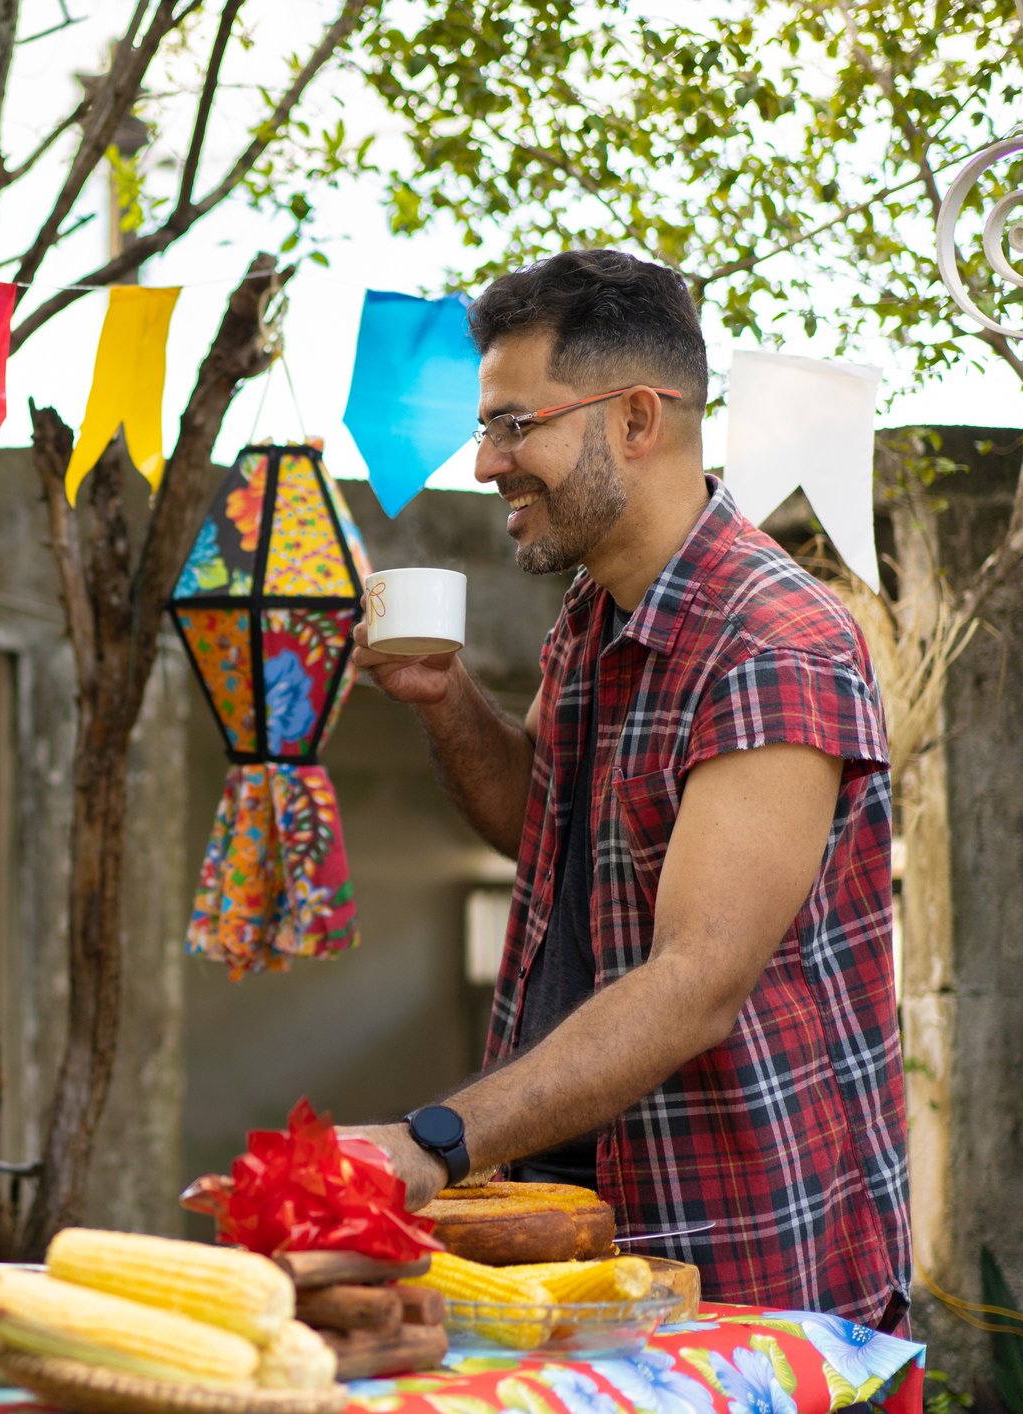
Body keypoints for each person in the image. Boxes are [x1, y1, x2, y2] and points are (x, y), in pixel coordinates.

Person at [344, 250, 909, 1330]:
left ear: (638, 418)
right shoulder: (593, 621)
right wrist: (443, 696)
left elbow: (698, 979)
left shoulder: (771, 640)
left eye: (516, 425)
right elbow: (544, 834)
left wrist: (435, 1141)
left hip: (744, 1271)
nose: (484, 462)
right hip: (585, 1236)